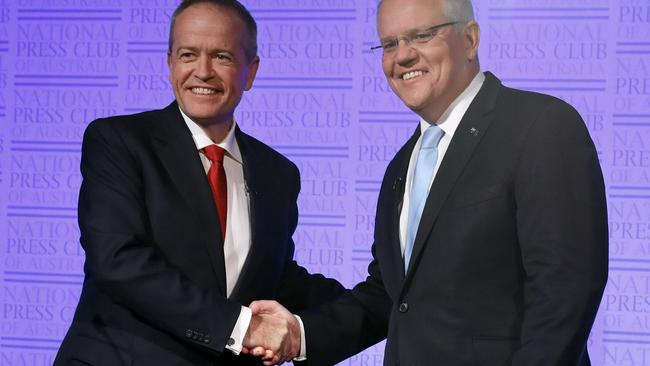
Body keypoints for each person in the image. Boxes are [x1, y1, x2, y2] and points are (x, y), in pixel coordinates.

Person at [251, 0, 609, 364]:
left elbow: (565, 292)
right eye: (389, 44)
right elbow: (392, 296)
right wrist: (301, 333)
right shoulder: (402, 165)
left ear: (469, 40)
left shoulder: (540, 126)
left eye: (421, 36)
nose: (402, 56)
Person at [53, 0, 344, 365]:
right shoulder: (118, 142)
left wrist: (389, 304)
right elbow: (118, 261)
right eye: (188, 54)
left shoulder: (278, 173)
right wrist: (243, 328)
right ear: (170, 62)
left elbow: (274, 279)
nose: (202, 72)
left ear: (250, 71)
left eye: (222, 56)